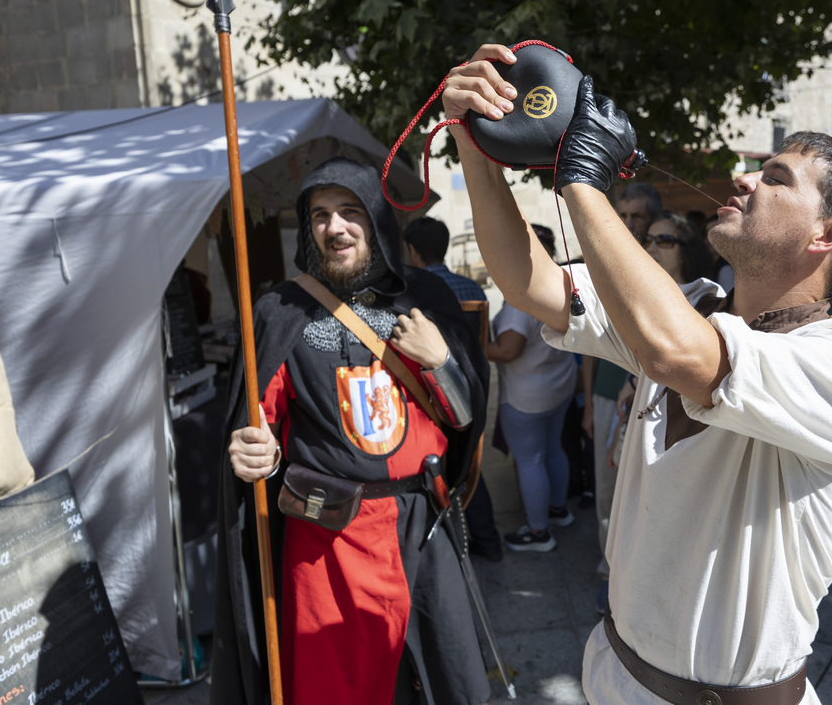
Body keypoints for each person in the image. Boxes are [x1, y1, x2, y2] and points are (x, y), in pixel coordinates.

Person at [442, 43, 832, 705]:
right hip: (612, 672)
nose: (744, 179)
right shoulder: (689, 308)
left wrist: (581, 179)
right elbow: (530, 281)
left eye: (775, 178)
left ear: (828, 235)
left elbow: (677, 357)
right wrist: (476, 142)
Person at [212, 158, 491, 705]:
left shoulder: (426, 299)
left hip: (420, 528)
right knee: (336, 689)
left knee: (443, 680)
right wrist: (255, 456)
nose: (334, 227)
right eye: (319, 215)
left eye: (349, 211)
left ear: (379, 221)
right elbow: (259, 431)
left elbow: (465, 421)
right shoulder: (278, 311)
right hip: (326, 541)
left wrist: (441, 363)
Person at [403, 215, 503, 562]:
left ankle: (443, 551)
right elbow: (483, 343)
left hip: (429, 393)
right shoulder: (472, 289)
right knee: (470, 465)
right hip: (471, 386)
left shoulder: (409, 290)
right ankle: (488, 541)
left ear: (412, 251)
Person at [485, 224, 579, 552]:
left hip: (527, 396)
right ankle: (559, 510)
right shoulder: (563, 283)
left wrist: (472, 343)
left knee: (530, 460)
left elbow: (508, 350)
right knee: (553, 448)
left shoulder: (521, 297)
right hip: (560, 383)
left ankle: (539, 533)